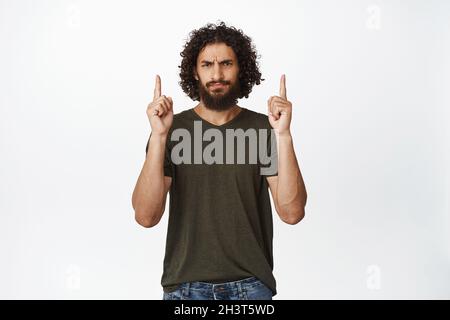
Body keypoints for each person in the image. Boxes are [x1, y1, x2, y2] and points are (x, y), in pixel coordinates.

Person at [131, 21, 307, 300]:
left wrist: (283, 135)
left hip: (251, 289)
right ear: (195, 71)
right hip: (184, 289)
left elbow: (292, 213)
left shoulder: (265, 129)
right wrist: (158, 136)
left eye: (226, 63)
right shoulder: (172, 130)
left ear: (241, 69)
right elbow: (145, 216)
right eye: (206, 65)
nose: (217, 74)